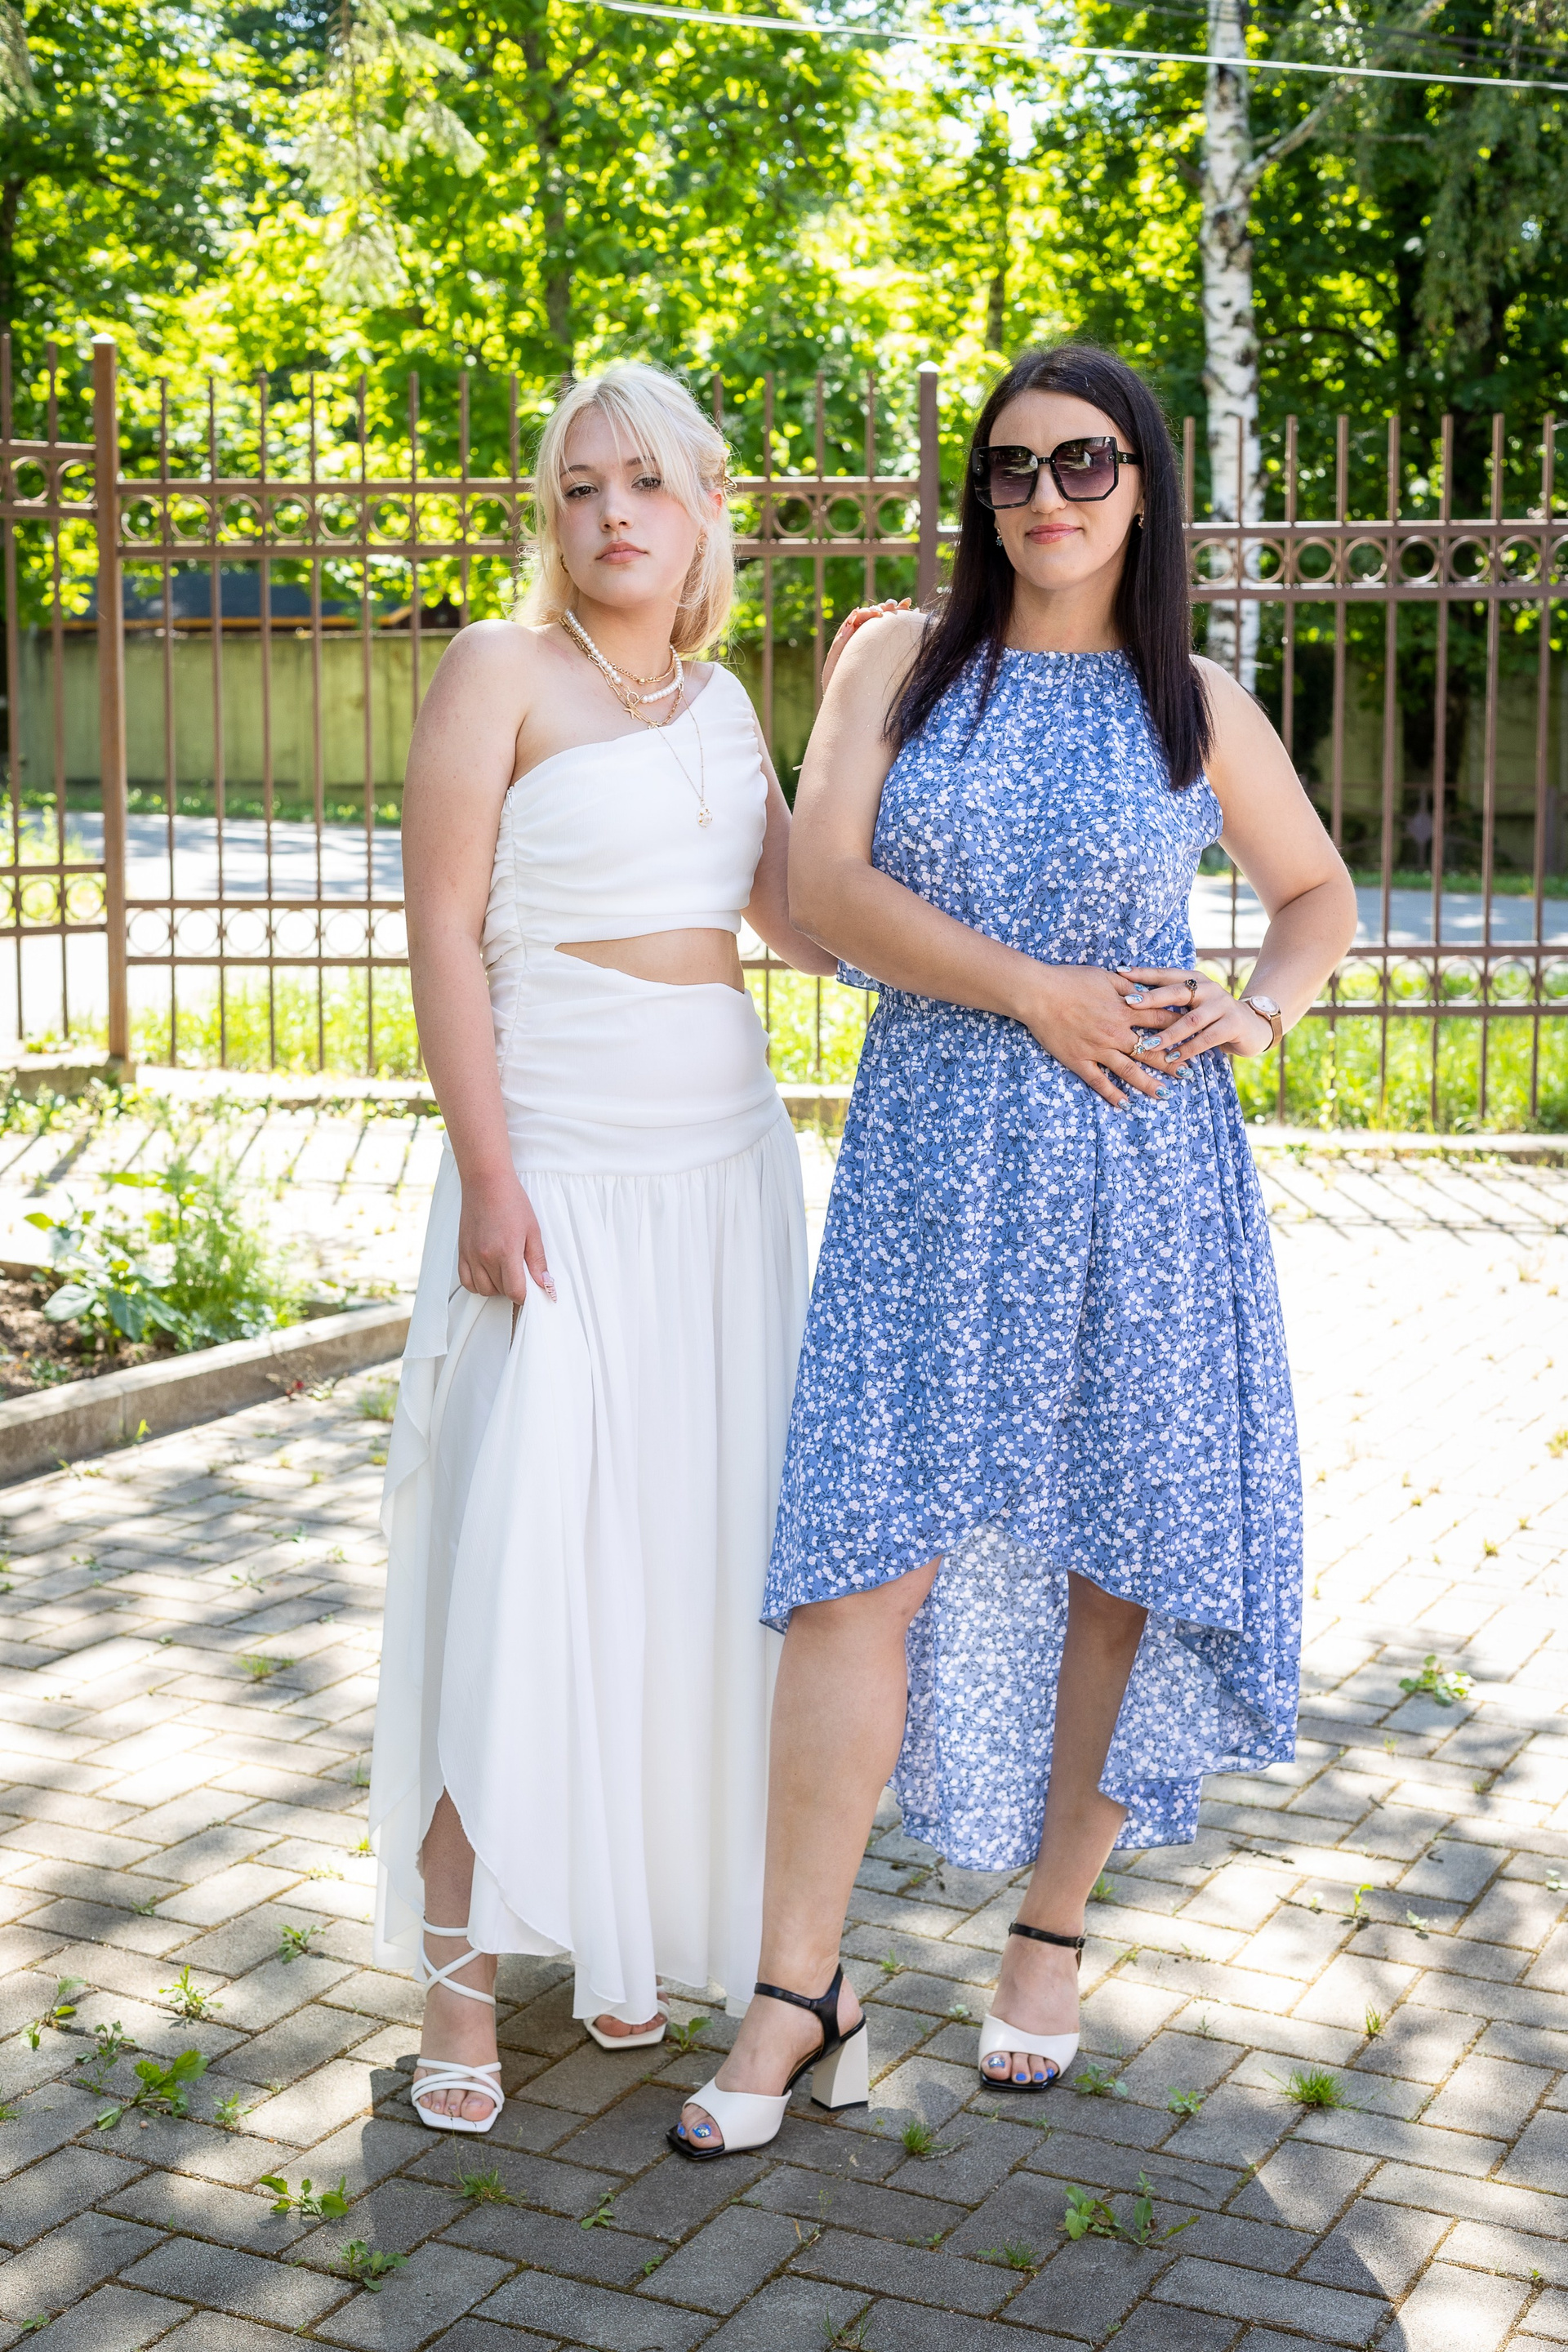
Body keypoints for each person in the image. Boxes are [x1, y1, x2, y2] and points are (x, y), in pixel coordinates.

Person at [673, 341, 1357, 2157]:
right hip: (934, 1168)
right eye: (1010, 468)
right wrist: (1035, 991)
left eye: (1082, 463)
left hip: (1147, 1170)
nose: (1043, 497)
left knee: (1123, 1554)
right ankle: (796, 1991)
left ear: (1143, 482)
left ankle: (1049, 1933)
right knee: (860, 1564)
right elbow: (830, 893)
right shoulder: (901, 661)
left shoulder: (1193, 700)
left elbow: (1318, 892)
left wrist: (1263, 1010)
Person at [370, 359, 836, 2132]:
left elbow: (802, 922)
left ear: (711, 505)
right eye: (580, 486)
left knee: (677, 1557)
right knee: (519, 1553)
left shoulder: (724, 704)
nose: (613, 514)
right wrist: (488, 1176)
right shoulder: (496, 670)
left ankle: (625, 1930)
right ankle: (458, 1976)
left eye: (646, 482)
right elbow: (439, 926)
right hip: (555, 1161)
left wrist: (865, 706)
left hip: (724, 1173)